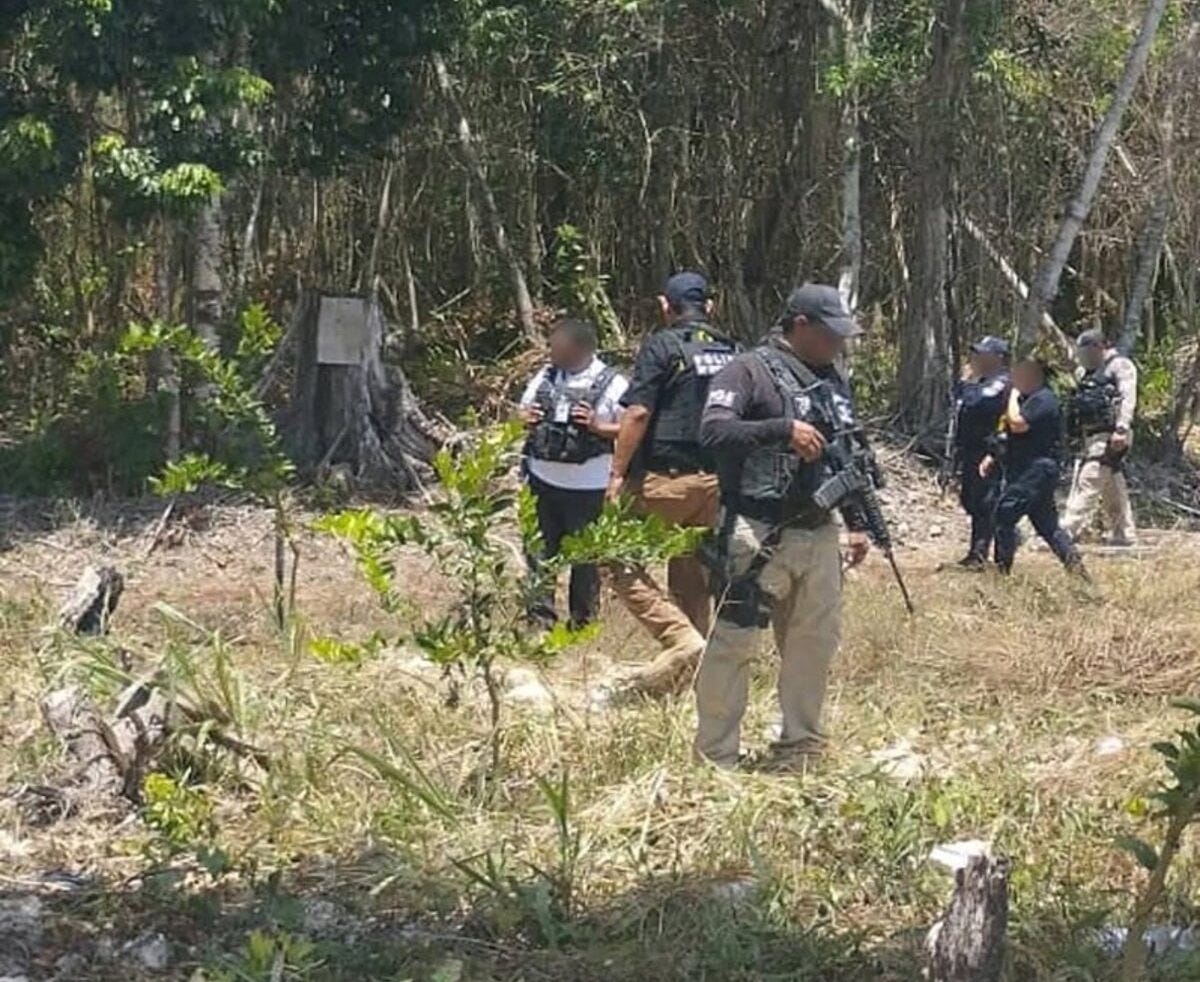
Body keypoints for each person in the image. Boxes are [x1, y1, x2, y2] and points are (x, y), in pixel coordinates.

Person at [694, 284, 870, 770]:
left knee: (813, 643)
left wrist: (857, 521)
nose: (838, 344)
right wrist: (780, 430)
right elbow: (713, 430)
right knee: (734, 643)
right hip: (756, 528)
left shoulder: (832, 379)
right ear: (799, 325)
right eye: (830, 334)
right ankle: (716, 755)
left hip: (818, 529)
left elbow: (846, 452)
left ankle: (800, 746)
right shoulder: (747, 370)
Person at [606, 272, 740, 695]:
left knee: (609, 554)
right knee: (691, 572)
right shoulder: (732, 351)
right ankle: (692, 675)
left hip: (664, 481)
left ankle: (680, 639)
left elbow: (638, 413)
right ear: (711, 307)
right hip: (715, 483)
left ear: (666, 306)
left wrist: (617, 473)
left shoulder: (662, 346)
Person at [519, 318, 628, 629]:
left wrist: (598, 426)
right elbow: (520, 413)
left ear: (580, 348)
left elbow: (632, 428)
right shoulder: (546, 376)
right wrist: (526, 418)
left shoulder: (614, 384)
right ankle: (539, 623)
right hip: (542, 481)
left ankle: (583, 624)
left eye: (557, 348)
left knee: (585, 560)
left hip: (588, 488)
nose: (551, 353)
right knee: (539, 553)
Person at [978, 358, 1086, 577]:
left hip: (1038, 469)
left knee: (1005, 514)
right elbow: (1008, 433)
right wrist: (993, 456)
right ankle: (1079, 574)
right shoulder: (1025, 400)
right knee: (1048, 526)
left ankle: (1001, 573)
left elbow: (1018, 424)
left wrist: (1012, 395)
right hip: (1023, 468)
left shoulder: (1043, 399)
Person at [1061, 329, 1138, 546]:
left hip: (1110, 433)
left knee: (1090, 478)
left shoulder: (1120, 366)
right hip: (1090, 435)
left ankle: (1065, 531)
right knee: (1112, 483)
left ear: (1099, 348)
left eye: (1086, 352)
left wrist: (1121, 429)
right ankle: (1124, 532)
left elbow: (1128, 397)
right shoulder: (1086, 372)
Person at [953, 336, 1011, 568]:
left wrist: (967, 384)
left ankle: (987, 553)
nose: (977, 359)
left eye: (983, 355)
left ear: (998, 358)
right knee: (972, 499)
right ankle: (977, 552)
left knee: (987, 502)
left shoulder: (1002, 382)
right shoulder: (982, 382)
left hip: (990, 451)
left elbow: (978, 402)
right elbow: (958, 401)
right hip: (971, 450)